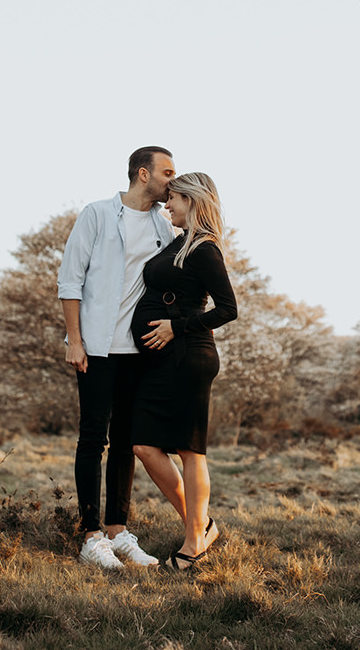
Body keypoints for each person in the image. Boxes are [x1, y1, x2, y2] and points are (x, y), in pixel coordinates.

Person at [57, 146, 177, 570]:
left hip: (140, 352)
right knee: (94, 437)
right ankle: (91, 537)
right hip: (97, 348)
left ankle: (117, 532)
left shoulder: (167, 228)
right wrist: (75, 339)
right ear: (143, 174)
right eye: (167, 172)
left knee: (127, 442)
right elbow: (70, 280)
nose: (172, 180)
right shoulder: (97, 215)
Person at [131, 172, 237, 570]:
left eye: (172, 198)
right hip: (163, 360)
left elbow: (228, 310)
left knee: (191, 450)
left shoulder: (205, 249)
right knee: (143, 444)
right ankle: (203, 524)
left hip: (190, 356)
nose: (166, 205)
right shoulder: (179, 243)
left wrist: (177, 326)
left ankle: (194, 543)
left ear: (192, 200)